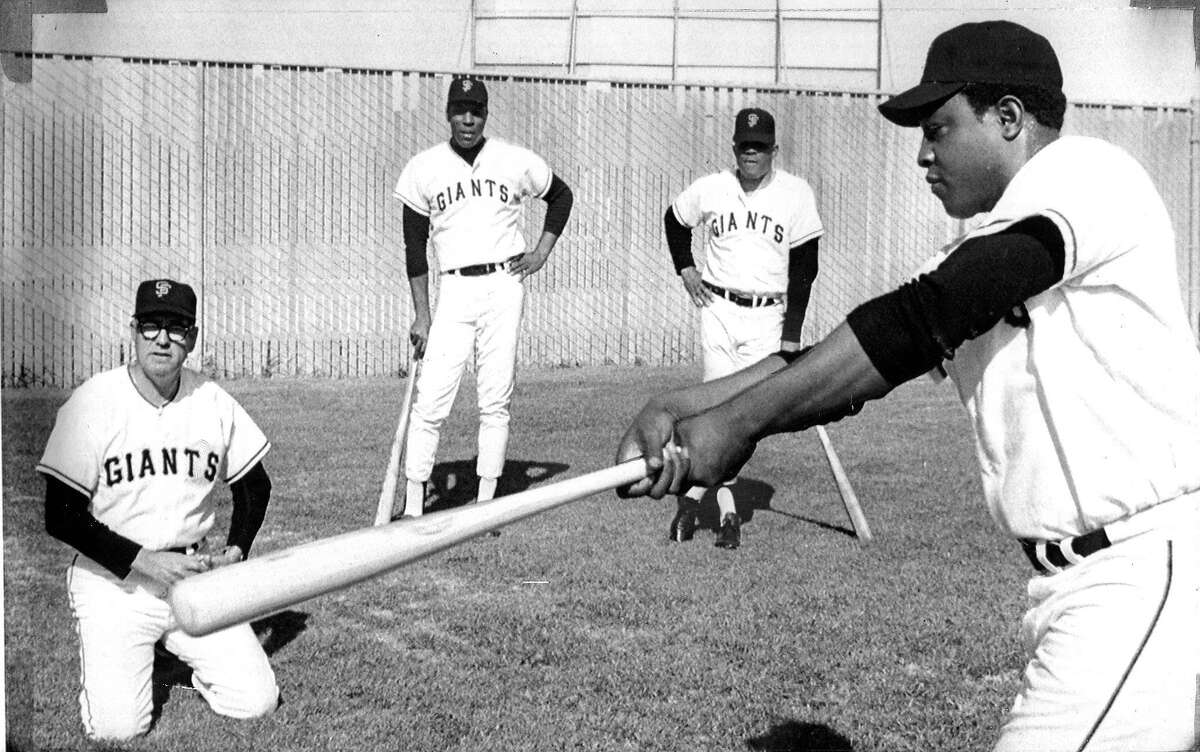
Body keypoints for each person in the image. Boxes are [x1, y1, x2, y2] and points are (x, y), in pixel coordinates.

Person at [616, 20, 1199, 752]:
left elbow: (921, 318)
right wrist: (686, 405)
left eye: (939, 128)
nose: (923, 154)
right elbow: (855, 362)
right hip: (1080, 585)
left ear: (1010, 118)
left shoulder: (1087, 175)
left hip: (1144, 568)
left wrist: (739, 426)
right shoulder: (982, 238)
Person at [37, 279, 280, 741]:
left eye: (175, 327)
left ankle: (166, 658)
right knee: (117, 729)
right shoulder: (95, 399)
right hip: (115, 580)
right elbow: (60, 514)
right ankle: (142, 652)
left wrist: (235, 551)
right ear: (133, 330)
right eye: (151, 325)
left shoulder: (211, 399)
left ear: (191, 337)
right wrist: (143, 560)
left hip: (192, 576)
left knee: (256, 702)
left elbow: (254, 486)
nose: (162, 338)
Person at [394, 75, 574, 516]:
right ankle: (415, 503)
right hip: (454, 286)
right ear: (448, 113)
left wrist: (541, 253)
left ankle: (486, 503)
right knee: (432, 398)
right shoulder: (425, 166)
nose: (467, 120)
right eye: (460, 110)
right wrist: (422, 314)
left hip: (503, 284)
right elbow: (413, 246)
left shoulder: (513, 159)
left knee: (495, 397)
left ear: (486, 114)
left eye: (475, 111)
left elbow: (561, 195)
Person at [663, 106, 823, 549]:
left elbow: (805, 270)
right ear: (734, 147)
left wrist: (791, 334)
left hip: (767, 317)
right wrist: (686, 268)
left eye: (760, 146)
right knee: (716, 411)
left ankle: (695, 501)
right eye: (744, 145)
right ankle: (727, 516)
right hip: (718, 307)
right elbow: (674, 222)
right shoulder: (713, 188)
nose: (752, 153)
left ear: (774, 149)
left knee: (746, 419)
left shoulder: (795, 193)